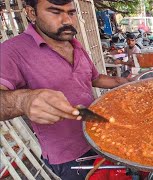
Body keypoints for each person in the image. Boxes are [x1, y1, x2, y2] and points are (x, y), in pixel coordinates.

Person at [0, 0, 132, 179]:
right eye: (55, 12)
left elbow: (95, 78)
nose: (67, 20)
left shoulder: (75, 45)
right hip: (69, 156)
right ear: (31, 13)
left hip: (101, 138)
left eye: (71, 13)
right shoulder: (11, 51)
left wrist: (123, 82)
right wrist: (23, 100)